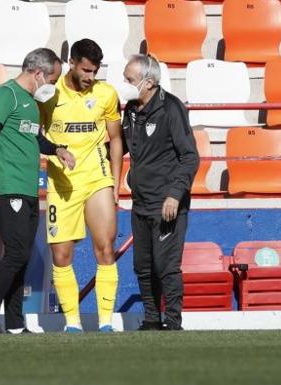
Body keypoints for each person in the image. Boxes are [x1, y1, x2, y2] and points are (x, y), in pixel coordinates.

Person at [0, 48, 75, 334]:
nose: (52, 86)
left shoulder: (31, 103)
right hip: (11, 186)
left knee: (22, 255)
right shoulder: (6, 94)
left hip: (30, 188)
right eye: (52, 80)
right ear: (38, 73)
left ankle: (16, 323)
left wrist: (57, 149)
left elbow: (34, 140)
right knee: (17, 253)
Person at [40, 39, 123, 332]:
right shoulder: (49, 94)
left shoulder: (106, 94)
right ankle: (72, 323)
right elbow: (37, 134)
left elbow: (116, 139)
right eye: (86, 70)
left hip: (97, 178)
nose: (90, 77)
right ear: (72, 63)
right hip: (61, 184)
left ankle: (105, 322)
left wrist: (114, 182)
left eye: (95, 71)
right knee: (61, 256)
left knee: (105, 248)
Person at [120, 55, 199, 331]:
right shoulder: (130, 110)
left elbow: (190, 157)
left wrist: (175, 194)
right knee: (143, 265)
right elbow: (121, 147)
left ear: (149, 82)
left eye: (129, 80)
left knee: (166, 266)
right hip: (140, 203)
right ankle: (152, 319)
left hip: (167, 203)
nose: (125, 84)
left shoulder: (171, 109)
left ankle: (174, 321)